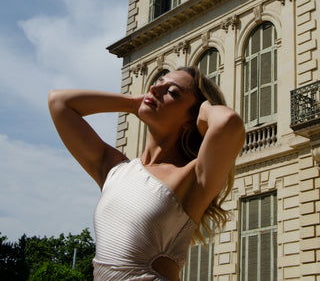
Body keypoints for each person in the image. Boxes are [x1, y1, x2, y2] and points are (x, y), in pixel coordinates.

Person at [48, 66, 245, 281]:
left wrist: (205, 109)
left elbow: (228, 123)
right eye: (159, 81)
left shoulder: (193, 177)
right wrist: (134, 103)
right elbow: (59, 102)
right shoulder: (114, 170)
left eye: (173, 92)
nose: (156, 87)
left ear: (191, 118)